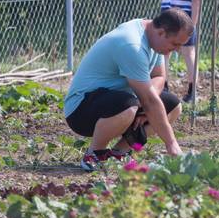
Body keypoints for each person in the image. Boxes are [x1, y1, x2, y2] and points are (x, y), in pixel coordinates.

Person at [64, 9, 191, 171]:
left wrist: (143, 105)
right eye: (175, 44)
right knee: (129, 106)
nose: (177, 50)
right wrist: (171, 144)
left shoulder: (154, 40)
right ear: (161, 32)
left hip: (118, 103)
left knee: (173, 106)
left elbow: (159, 76)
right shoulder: (132, 45)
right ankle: (95, 154)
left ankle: (119, 152)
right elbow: (149, 100)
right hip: (81, 110)